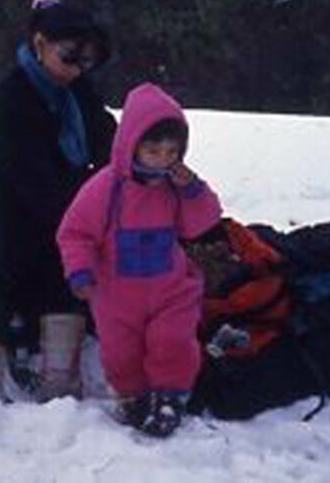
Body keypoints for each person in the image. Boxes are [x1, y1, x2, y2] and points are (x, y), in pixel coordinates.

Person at [0, 0, 117, 414]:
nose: (78, 68)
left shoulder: (78, 94)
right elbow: (23, 176)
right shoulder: (6, 100)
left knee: (72, 256)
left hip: (66, 208)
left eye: (86, 60)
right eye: (70, 56)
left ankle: (60, 370)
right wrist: (77, 217)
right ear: (39, 44)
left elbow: (109, 141)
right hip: (12, 210)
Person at [57, 82, 223, 437]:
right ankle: (133, 397)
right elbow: (74, 232)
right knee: (120, 353)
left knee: (173, 340)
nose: (163, 159)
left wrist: (193, 191)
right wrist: (80, 270)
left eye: (171, 151)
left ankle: (170, 396)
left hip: (171, 290)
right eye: (153, 150)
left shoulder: (176, 187)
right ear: (131, 145)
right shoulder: (106, 187)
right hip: (117, 295)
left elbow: (203, 222)